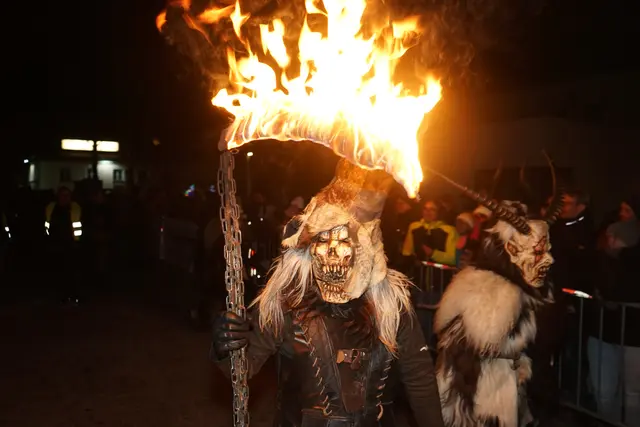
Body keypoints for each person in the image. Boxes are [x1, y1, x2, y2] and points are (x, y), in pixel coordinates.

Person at [211, 159, 445, 427]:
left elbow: (419, 379)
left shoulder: (391, 304)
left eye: (344, 240)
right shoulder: (287, 301)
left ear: (363, 247)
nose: (332, 250)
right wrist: (226, 346)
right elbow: (241, 370)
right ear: (310, 247)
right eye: (322, 239)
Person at [432, 163, 561, 427]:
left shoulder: (527, 289)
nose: (549, 259)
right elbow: (466, 355)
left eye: (547, 249)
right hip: (482, 397)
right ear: (511, 249)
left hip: (507, 390)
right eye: (538, 252)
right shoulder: (489, 291)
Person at [44, 187, 83, 303]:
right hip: (56, 244)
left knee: (73, 272)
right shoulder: (51, 208)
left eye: (67, 195)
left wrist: (78, 242)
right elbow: (47, 224)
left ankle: (74, 295)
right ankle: (62, 296)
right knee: (59, 272)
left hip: (72, 244)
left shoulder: (75, 208)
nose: (65, 198)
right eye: (62, 195)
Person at [402, 199, 458, 266]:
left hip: (440, 271)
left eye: (432, 209)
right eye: (425, 209)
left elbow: (454, 259)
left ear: (439, 212)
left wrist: (433, 254)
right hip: (418, 270)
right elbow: (407, 252)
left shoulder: (449, 230)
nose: (428, 212)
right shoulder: (414, 227)